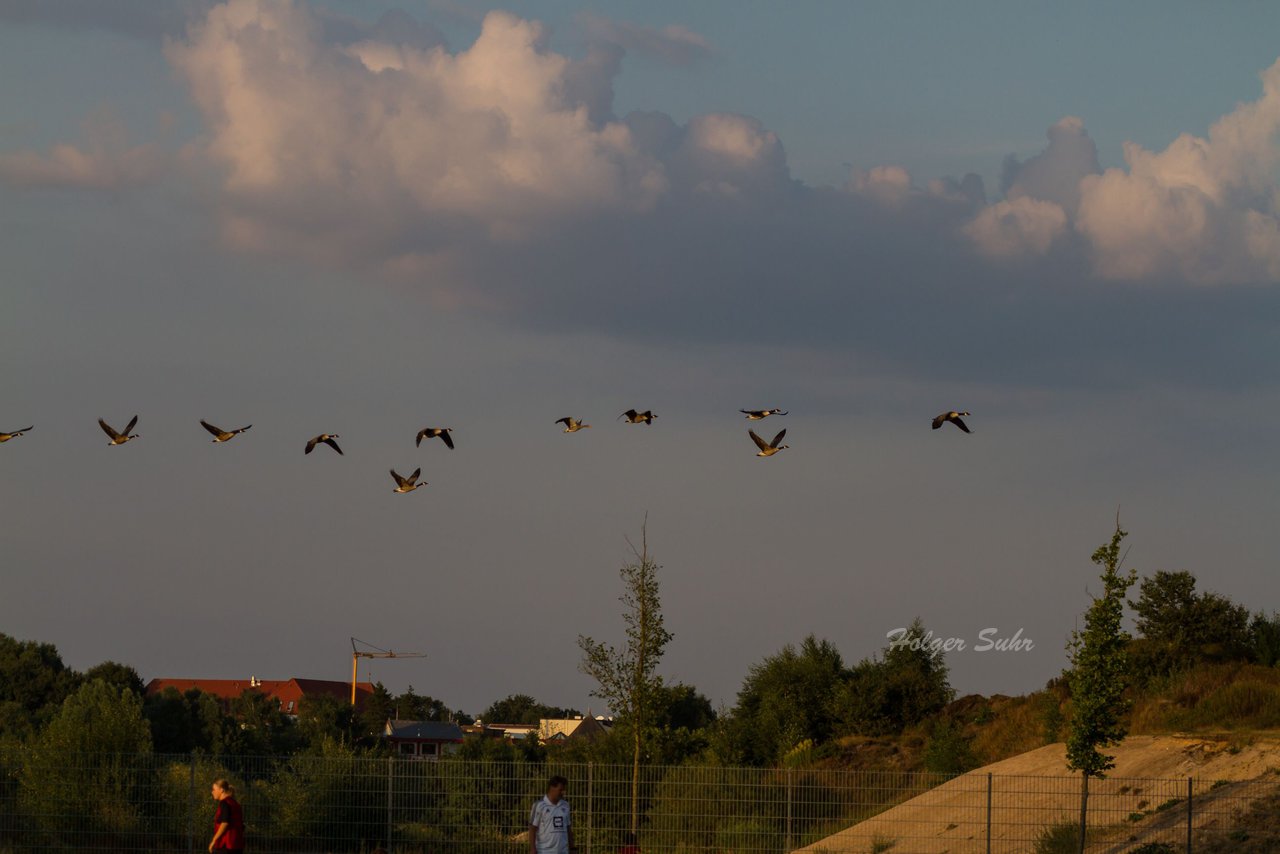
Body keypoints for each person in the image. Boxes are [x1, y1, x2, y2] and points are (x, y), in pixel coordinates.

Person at [529, 775, 575, 854]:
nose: (563, 792)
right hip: (544, 851)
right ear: (552, 788)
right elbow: (532, 829)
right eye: (560, 790)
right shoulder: (539, 805)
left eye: (564, 790)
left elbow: (568, 828)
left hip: (563, 851)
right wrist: (533, 849)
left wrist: (572, 847)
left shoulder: (565, 805)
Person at [209, 778, 245, 853]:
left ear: (221, 790)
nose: (212, 792)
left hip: (226, 845)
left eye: (214, 789)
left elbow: (225, 823)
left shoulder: (225, 803)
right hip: (237, 845)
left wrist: (214, 840)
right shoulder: (235, 803)